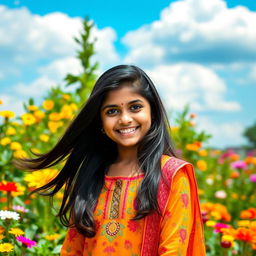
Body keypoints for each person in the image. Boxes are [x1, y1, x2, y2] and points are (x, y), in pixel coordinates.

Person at [14, 65, 206, 255]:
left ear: (153, 112)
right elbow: (72, 250)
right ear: (100, 121)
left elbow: (175, 251)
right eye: (112, 111)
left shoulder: (172, 175)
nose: (125, 119)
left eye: (135, 107)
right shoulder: (92, 176)